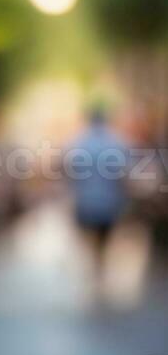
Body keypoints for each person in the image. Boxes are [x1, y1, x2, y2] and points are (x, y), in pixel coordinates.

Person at [66, 106, 129, 250]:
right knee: (102, 242)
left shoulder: (79, 142)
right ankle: (99, 261)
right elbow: (123, 175)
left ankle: (93, 262)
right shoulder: (117, 142)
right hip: (109, 205)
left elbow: (70, 172)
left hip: (85, 203)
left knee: (89, 241)